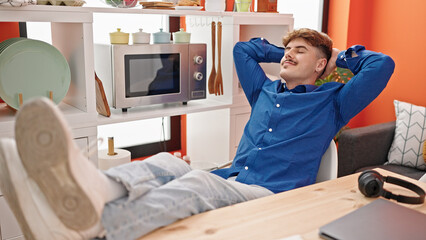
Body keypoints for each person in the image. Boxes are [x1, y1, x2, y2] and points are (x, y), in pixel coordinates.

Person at [0, 28, 394, 240]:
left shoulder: (332, 102)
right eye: (287, 47)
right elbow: (242, 49)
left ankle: (95, 229)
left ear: (321, 64)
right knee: (167, 161)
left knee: (196, 185)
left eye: (300, 51)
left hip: (271, 193)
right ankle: (90, 192)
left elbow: (383, 64)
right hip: (233, 178)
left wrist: (335, 58)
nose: (288, 53)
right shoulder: (265, 90)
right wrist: (285, 52)